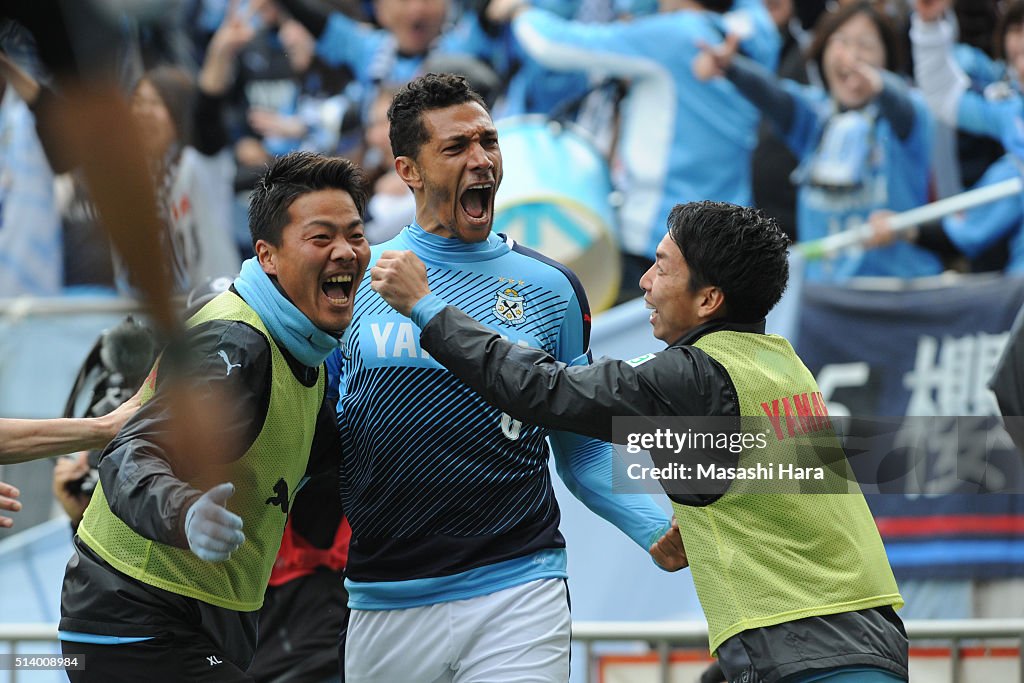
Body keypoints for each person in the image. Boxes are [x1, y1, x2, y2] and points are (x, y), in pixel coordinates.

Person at [371, 200, 908, 682]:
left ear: (708, 300)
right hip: (861, 640)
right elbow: (777, 508)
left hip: (805, 654)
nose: (646, 281)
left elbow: (541, 389)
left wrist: (428, 309)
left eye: (663, 267)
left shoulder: (689, 376)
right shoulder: (781, 363)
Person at [333, 72, 682, 682]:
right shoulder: (359, 284)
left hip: (517, 583)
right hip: (384, 593)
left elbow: (582, 446)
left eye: (488, 141)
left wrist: (652, 526)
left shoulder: (551, 288)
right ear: (408, 170)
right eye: (456, 148)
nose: (481, 160)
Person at [58, 151, 370, 681]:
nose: (345, 251)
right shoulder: (237, 343)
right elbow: (131, 455)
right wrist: (185, 513)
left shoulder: (303, 349)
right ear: (267, 256)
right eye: (321, 238)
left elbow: (326, 467)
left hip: (195, 622)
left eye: (356, 235)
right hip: (135, 623)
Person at [485, 0, 779, 295]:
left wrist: (518, 11)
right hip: (724, 240)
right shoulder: (747, 36)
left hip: (658, 240)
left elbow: (554, 45)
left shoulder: (675, 34)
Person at [695, 0, 941, 282]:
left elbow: (900, 102)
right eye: (841, 42)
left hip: (898, 290)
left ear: (887, 58)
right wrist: (731, 67)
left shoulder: (908, 115)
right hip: (824, 296)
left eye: (865, 45)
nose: (852, 56)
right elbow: (773, 94)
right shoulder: (815, 117)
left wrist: (878, 82)